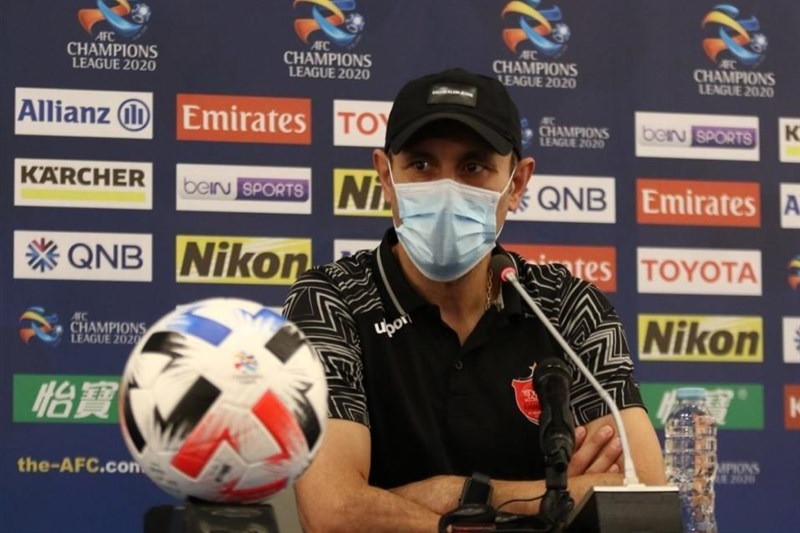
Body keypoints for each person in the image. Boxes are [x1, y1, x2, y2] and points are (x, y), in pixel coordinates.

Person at [283, 67, 666, 532]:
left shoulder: (567, 306)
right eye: (421, 165)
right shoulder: (330, 301)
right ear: (385, 176)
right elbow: (335, 511)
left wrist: (458, 495)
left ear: (517, 183)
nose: (447, 189)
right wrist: (550, 499)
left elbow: (643, 493)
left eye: (473, 167)